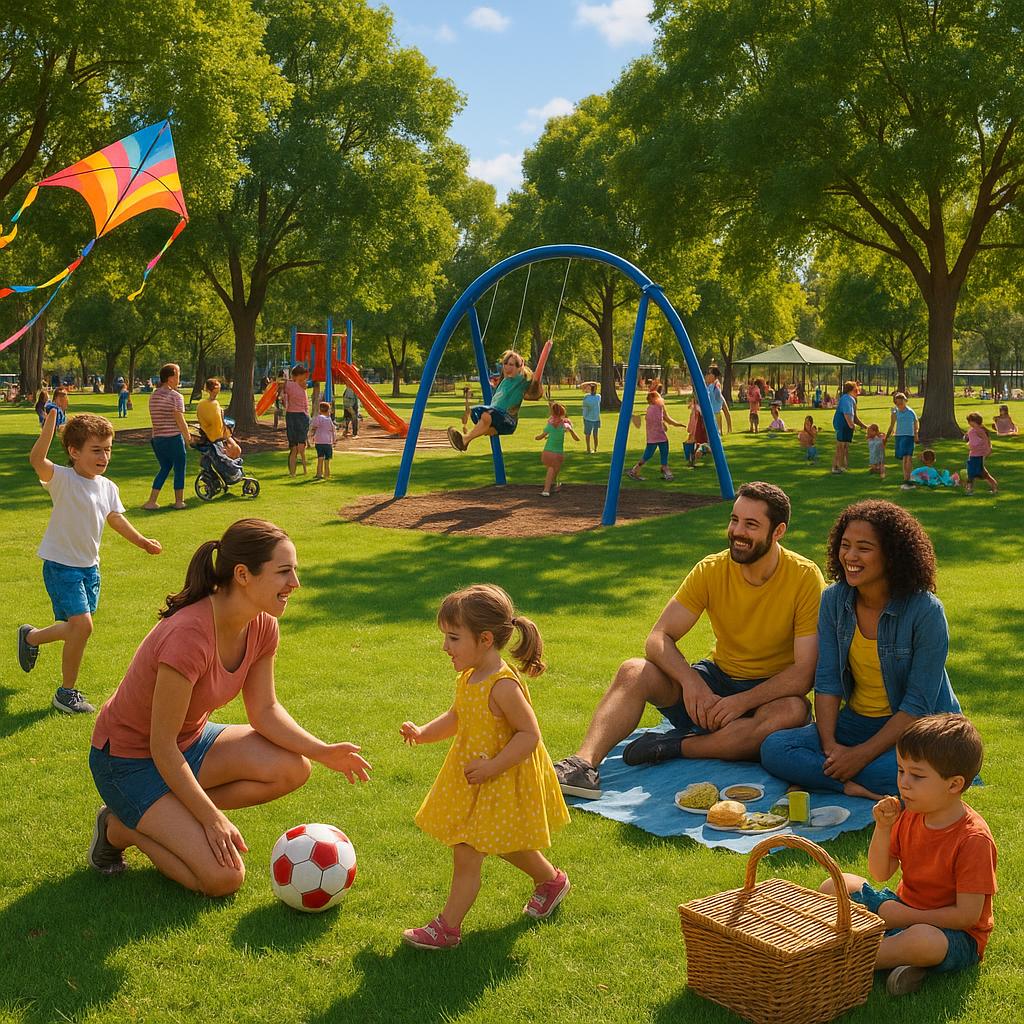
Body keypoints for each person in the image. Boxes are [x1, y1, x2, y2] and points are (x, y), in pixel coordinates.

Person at [86, 519, 372, 892]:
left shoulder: (262, 625)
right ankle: (119, 827)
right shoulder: (188, 635)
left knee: (293, 768)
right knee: (224, 878)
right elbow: (161, 745)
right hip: (127, 761)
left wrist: (323, 751)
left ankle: (162, 815)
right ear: (242, 575)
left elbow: (265, 710)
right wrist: (211, 818)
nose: (295, 583)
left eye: (294, 571)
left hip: (189, 744)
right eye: (284, 571)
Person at [552, 482, 824, 798]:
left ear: (778, 532)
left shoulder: (804, 577)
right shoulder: (711, 569)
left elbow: (804, 673)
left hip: (768, 695)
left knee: (792, 712)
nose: (737, 531)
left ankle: (676, 745)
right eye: (735, 520)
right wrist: (692, 683)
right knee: (633, 671)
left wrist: (740, 703)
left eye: (751, 524)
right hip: (715, 684)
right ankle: (583, 765)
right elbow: (658, 637)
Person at [399, 584, 570, 949]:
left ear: (485, 639)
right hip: (479, 778)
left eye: (453, 638)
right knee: (502, 841)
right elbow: (457, 716)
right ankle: (551, 880)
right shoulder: (469, 676)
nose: (445, 647)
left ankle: (447, 928)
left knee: (467, 850)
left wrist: (493, 766)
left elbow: (529, 735)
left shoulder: (503, 686)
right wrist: (423, 733)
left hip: (502, 776)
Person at [761, 500, 961, 799]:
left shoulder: (925, 611)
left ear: (891, 555)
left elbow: (918, 705)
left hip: (917, 729)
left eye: (864, 548)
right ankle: (849, 785)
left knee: (910, 772)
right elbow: (827, 681)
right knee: (775, 748)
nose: (850, 556)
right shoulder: (833, 600)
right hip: (856, 723)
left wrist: (859, 756)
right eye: (845, 545)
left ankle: (825, 776)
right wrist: (830, 747)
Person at [817, 715, 996, 997]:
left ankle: (848, 958)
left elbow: (966, 916)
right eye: (901, 770)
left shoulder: (973, 839)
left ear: (953, 784)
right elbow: (880, 872)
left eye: (917, 776)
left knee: (924, 941)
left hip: (954, 935)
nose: (904, 783)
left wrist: (902, 917)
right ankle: (898, 959)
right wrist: (883, 827)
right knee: (835, 885)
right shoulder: (911, 813)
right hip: (901, 910)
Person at [18, 411, 161, 715]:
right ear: (74, 451)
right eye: (96, 450)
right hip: (60, 565)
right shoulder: (62, 479)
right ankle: (66, 693)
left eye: (108, 449)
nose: (104, 456)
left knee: (75, 628)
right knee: (82, 626)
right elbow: (36, 460)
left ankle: (31, 637)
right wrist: (49, 426)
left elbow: (115, 519)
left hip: (90, 569)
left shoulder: (107, 486)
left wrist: (143, 541)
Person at [447, 349, 542, 452]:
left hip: (508, 420)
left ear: (519, 368)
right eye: (505, 364)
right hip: (496, 418)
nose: (507, 367)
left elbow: (535, 393)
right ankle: (466, 440)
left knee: (486, 415)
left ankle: (465, 439)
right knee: (479, 414)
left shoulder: (521, 381)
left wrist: (536, 376)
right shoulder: (504, 382)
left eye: (511, 365)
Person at [142, 363, 192, 511]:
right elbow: (180, 420)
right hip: (173, 438)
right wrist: (188, 438)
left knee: (165, 467)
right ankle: (179, 501)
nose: (178, 379)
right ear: (170, 378)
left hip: (157, 439)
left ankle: (152, 501)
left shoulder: (153, 396)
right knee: (179, 468)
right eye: (177, 375)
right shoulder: (176, 397)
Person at [627, 390, 684, 481]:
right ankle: (664, 469)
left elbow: (662, 420)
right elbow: (666, 419)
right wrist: (676, 424)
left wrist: (674, 424)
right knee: (658, 453)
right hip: (658, 436)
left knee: (649, 455)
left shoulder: (650, 408)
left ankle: (635, 471)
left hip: (653, 436)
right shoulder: (658, 406)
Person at [534, 402, 579, 497]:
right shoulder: (565, 424)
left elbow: (540, 436)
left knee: (551, 469)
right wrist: (571, 430)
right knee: (554, 469)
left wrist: (537, 437)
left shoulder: (550, 425)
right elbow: (576, 438)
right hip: (558, 453)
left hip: (547, 452)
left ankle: (550, 487)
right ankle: (548, 488)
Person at [196, 378, 242, 458]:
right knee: (223, 457)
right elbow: (209, 422)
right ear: (209, 390)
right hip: (214, 437)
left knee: (237, 450)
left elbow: (220, 421)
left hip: (221, 435)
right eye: (215, 391)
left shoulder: (215, 404)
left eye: (217, 391)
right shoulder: (204, 405)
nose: (216, 393)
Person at [886, 392, 919, 490]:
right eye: (898, 403)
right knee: (904, 458)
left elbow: (916, 423)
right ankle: (906, 477)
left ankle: (908, 478)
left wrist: (916, 435)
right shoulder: (895, 412)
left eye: (902, 403)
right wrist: (887, 436)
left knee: (908, 457)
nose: (900, 405)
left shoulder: (910, 412)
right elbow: (892, 425)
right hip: (899, 436)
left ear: (906, 401)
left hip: (909, 436)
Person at [832, 380, 865, 474]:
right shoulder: (846, 399)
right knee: (841, 445)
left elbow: (854, 417)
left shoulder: (852, 399)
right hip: (842, 424)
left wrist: (863, 426)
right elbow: (847, 414)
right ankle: (836, 467)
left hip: (847, 425)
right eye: (856, 388)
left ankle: (842, 466)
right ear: (852, 389)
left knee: (845, 446)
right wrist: (851, 424)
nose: (858, 390)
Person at [283, 364, 311, 477]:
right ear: (297, 376)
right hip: (294, 416)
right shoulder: (290, 385)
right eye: (302, 375)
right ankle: (293, 473)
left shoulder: (299, 385)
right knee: (295, 447)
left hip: (299, 416)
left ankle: (303, 471)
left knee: (300, 447)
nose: (304, 378)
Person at [963, 413, 997, 495]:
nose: (969, 423)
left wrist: (987, 450)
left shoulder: (979, 430)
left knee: (981, 474)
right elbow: (970, 440)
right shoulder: (972, 430)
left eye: (970, 421)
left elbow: (985, 441)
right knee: (971, 473)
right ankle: (969, 489)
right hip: (973, 455)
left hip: (978, 456)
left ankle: (994, 487)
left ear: (975, 421)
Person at [309, 400, 337, 480]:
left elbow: (314, 427)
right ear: (328, 410)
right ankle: (327, 474)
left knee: (320, 458)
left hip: (319, 442)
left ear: (320, 410)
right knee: (327, 460)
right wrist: (334, 440)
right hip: (328, 442)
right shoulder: (329, 420)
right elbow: (333, 430)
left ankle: (319, 474)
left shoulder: (318, 418)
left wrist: (311, 435)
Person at [704, 366, 732, 436]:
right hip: (712, 413)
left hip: (715, 413)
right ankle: (727, 429)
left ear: (714, 376)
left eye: (709, 373)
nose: (706, 375)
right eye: (707, 373)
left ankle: (728, 429)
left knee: (716, 433)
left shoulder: (715, 386)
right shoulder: (710, 386)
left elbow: (719, 399)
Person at [581, 382, 602, 453]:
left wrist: (588, 385)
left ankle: (590, 449)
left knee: (589, 434)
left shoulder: (587, 397)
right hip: (592, 418)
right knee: (593, 434)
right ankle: (593, 449)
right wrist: (592, 384)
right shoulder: (598, 397)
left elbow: (582, 386)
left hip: (590, 418)